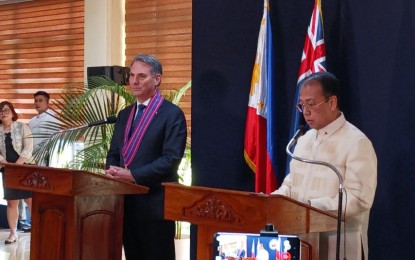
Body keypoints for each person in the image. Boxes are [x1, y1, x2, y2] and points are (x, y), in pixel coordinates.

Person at [272, 72, 377, 260]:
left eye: (311, 104)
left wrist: (310, 208)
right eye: (302, 105)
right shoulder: (304, 140)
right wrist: (273, 201)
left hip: (338, 247)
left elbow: (360, 198)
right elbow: (290, 185)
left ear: (332, 102)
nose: (305, 112)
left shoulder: (356, 142)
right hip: (302, 243)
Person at [105, 54, 187, 260]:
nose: (134, 81)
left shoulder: (172, 114)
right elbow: (115, 152)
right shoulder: (125, 114)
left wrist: (132, 175)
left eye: (141, 76)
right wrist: (112, 172)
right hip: (126, 202)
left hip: (155, 204)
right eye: (132, 75)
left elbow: (170, 159)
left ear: (157, 79)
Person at [0, 101, 33, 244]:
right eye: (0, 110)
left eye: (6, 110)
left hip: (25, 168)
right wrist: (5, 163)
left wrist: (18, 165)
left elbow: (28, 147)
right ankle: (13, 233)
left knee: (29, 200)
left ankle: (38, 229)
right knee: (11, 202)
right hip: (7, 170)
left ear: (12, 113)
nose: (3, 112)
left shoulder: (22, 126)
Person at [28, 91, 59, 166]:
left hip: (45, 158)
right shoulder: (32, 120)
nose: (37, 103)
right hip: (31, 157)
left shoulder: (52, 119)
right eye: (36, 101)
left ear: (47, 103)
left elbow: (53, 141)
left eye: (40, 100)